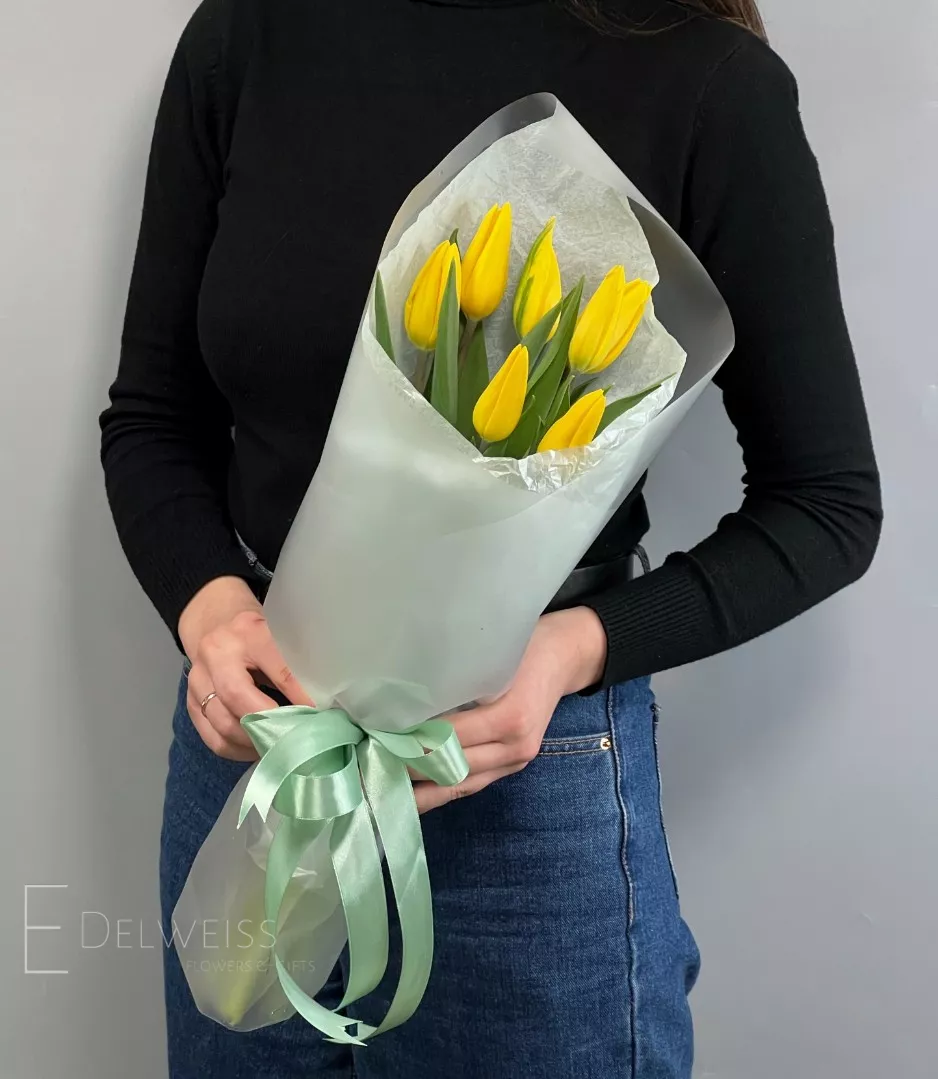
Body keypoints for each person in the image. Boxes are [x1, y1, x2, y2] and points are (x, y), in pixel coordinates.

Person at [99, 1, 882, 1075]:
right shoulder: (249, 34)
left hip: (522, 766)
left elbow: (827, 503)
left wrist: (567, 653)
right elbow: (152, 419)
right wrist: (213, 612)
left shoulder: (704, 82)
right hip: (259, 747)